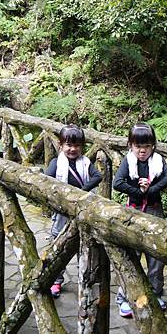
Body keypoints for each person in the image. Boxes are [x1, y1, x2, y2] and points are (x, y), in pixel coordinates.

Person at [113, 122, 167, 317]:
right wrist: (139, 192)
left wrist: (152, 188)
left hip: (155, 211)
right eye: (138, 146)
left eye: (146, 146)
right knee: (131, 255)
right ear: (131, 145)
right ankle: (124, 297)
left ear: (153, 146)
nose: (142, 151)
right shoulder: (128, 161)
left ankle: (155, 292)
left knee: (156, 255)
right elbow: (118, 183)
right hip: (133, 212)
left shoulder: (157, 161)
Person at [44, 124, 102, 298]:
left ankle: (85, 279)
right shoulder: (56, 163)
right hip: (62, 213)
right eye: (68, 145)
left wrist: (82, 191)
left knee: (84, 245)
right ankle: (55, 280)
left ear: (82, 147)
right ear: (61, 145)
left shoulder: (85, 163)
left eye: (77, 146)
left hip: (82, 211)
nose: (72, 149)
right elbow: (46, 180)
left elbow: (97, 176)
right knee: (58, 246)